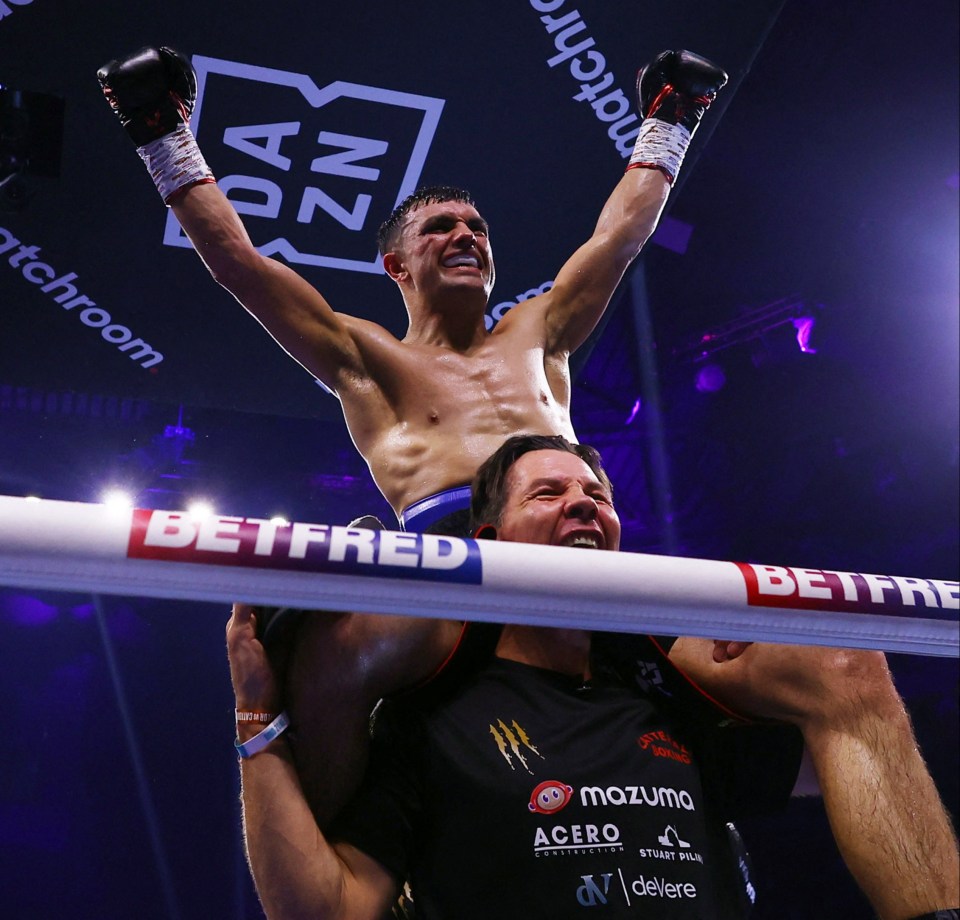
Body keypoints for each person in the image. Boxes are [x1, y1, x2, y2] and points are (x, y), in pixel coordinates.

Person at [96, 45, 731, 822]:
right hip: (448, 565)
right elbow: (239, 265)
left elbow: (617, 239)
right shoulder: (365, 357)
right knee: (327, 655)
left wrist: (670, 122)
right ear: (397, 263)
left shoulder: (541, 331)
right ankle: (339, 862)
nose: (466, 235)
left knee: (774, 666)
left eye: (476, 227)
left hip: (573, 553)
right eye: (441, 228)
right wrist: (161, 133)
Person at [227, 435, 960, 919]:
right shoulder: (429, 723)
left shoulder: (671, 700)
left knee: (850, 663)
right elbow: (325, 909)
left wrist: (794, 661)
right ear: (488, 540)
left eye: (598, 496)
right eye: (548, 494)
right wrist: (257, 718)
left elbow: (857, 747)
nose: (583, 501)